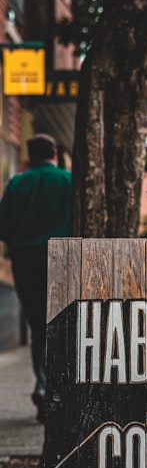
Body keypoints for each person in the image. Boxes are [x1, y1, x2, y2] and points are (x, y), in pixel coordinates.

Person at [0, 133, 72, 422]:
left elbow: (3, 227)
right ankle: (62, 389)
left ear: (29, 155)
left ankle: (43, 384)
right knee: (63, 323)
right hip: (64, 259)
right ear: (54, 152)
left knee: (37, 326)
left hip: (26, 261)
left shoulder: (17, 183)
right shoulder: (68, 180)